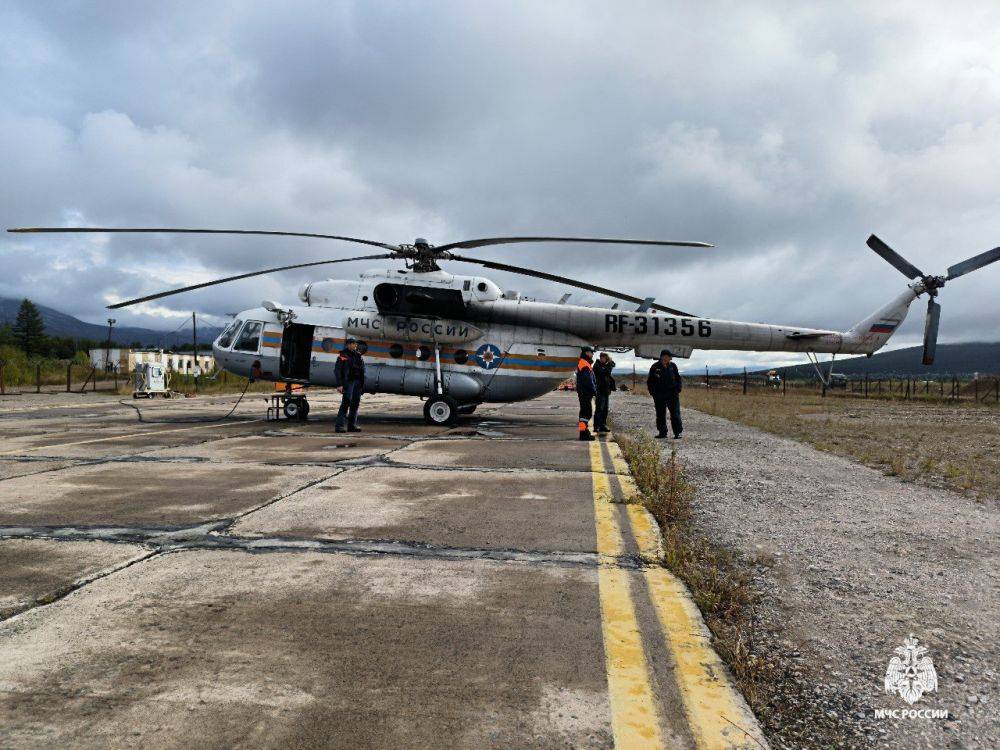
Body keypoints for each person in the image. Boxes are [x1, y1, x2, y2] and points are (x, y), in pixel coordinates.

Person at [647, 349, 683, 439]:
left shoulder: (673, 366)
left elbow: (678, 378)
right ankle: (662, 432)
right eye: (667, 357)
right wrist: (653, 392)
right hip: (659, 395)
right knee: (660, 414)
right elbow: (650, 381)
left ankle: (677, 433)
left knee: (675, 414)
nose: (669, 359)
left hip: (672, 394)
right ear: (662, 357)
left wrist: (678, 388)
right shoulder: (655, 367)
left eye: (670, 357)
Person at [335, 338, 366, 433]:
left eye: (355, 344)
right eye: (353, 343)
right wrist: (339, 384)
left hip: (357, 382)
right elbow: (338, 370)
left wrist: (362, 384)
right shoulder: (343, 355)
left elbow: (362, 370)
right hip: (348, 381)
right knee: (346, 402)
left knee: (355, 403)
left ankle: (351, 425)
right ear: (348, 345)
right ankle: (339, 426)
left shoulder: (358, 355)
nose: (355, 345)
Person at [575, 346, 597, 441]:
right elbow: (588, 380)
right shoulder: (584, 364)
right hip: (585, 392)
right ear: (587, 353)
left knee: (584, 413)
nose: (592, 354)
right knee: (586, 413)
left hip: (583, 392)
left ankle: (583, 431)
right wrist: (594, 390)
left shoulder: (584, 362)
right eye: (591, 352)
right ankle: (583, 434)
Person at [592, 352, 616, 433]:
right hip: (599, 391)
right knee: (599, 409)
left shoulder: (605, 366)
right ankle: (596, 426)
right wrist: (609, 365)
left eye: (604, 357)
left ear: (606, 358)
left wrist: (610, 364)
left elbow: (610, 368)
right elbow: (605, 373)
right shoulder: (597, 366)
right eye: (601, 357)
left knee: (605, 410)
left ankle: (602, 425)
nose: (602, 359)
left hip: (605, 391)